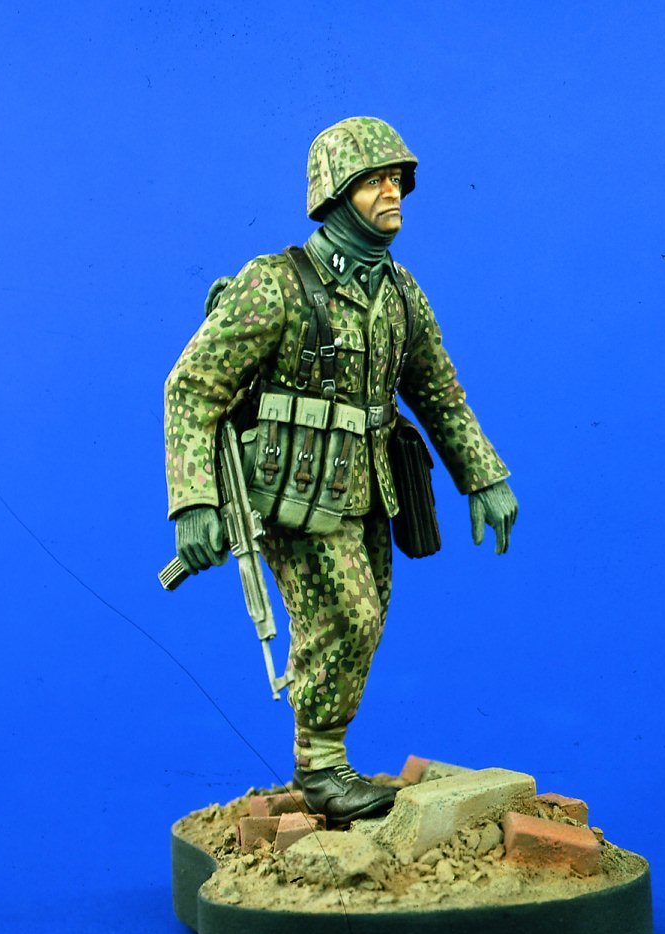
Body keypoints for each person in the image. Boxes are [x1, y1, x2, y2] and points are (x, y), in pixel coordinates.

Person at [164, 117, 518, 824]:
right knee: (345, 618)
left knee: (366, 617)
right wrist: (194, 500)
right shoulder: (276, 285)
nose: (393, 194)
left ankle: (326, 758)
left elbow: (438, 392)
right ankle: (321, 769)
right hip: (294, 493)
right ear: (334, 192)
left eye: (397, 180)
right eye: (374, 181)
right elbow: (192, 387)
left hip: (370, 490)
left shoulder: (401, 292)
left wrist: (483, 475)